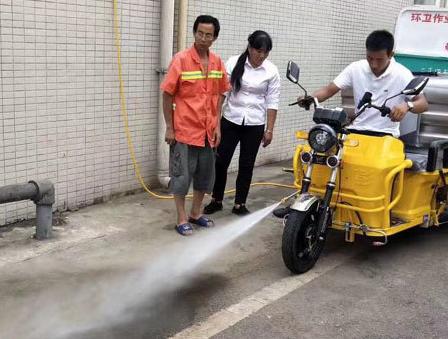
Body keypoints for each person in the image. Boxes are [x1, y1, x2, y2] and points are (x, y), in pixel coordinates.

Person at [274, 29, 428, 218]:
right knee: (317, 156)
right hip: (354, 132)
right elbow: (330, 89)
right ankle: (304, 200)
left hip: (385, 136)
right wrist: (310, 98)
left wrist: (407, 106)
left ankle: (372, 213)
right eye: (370, 58)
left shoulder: (402, 74)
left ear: (391, 55)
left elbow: (423, 103)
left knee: (371, 172)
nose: (373, 64)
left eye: (379, 60)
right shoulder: (356, 68)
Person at [160, 14, 231, 236]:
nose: (203, 38)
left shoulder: (217, 62)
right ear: (194, 33)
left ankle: (195, 213)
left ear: (215, 38)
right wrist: (169, 127)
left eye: (208, 35)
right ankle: (181, 218)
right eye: (199, 33)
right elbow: (167, 94)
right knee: (181, 177)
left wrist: (217, 125)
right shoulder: (180, 60)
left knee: (204, 176)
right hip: (184, 131)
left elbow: (221, 94)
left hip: (208, 132)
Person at [204, 30, 279, 216]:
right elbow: (222, 95)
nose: (262, 56)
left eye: (266, 52)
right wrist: (216, 123)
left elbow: (272, 102)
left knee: (247, 164)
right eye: (258, 51)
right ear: (250, 47)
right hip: (231, 120)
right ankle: (216, 199)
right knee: (221, 162)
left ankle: (240, 204)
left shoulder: (271, 71)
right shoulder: (233, 63)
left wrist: (269, 129)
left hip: (255, 124)